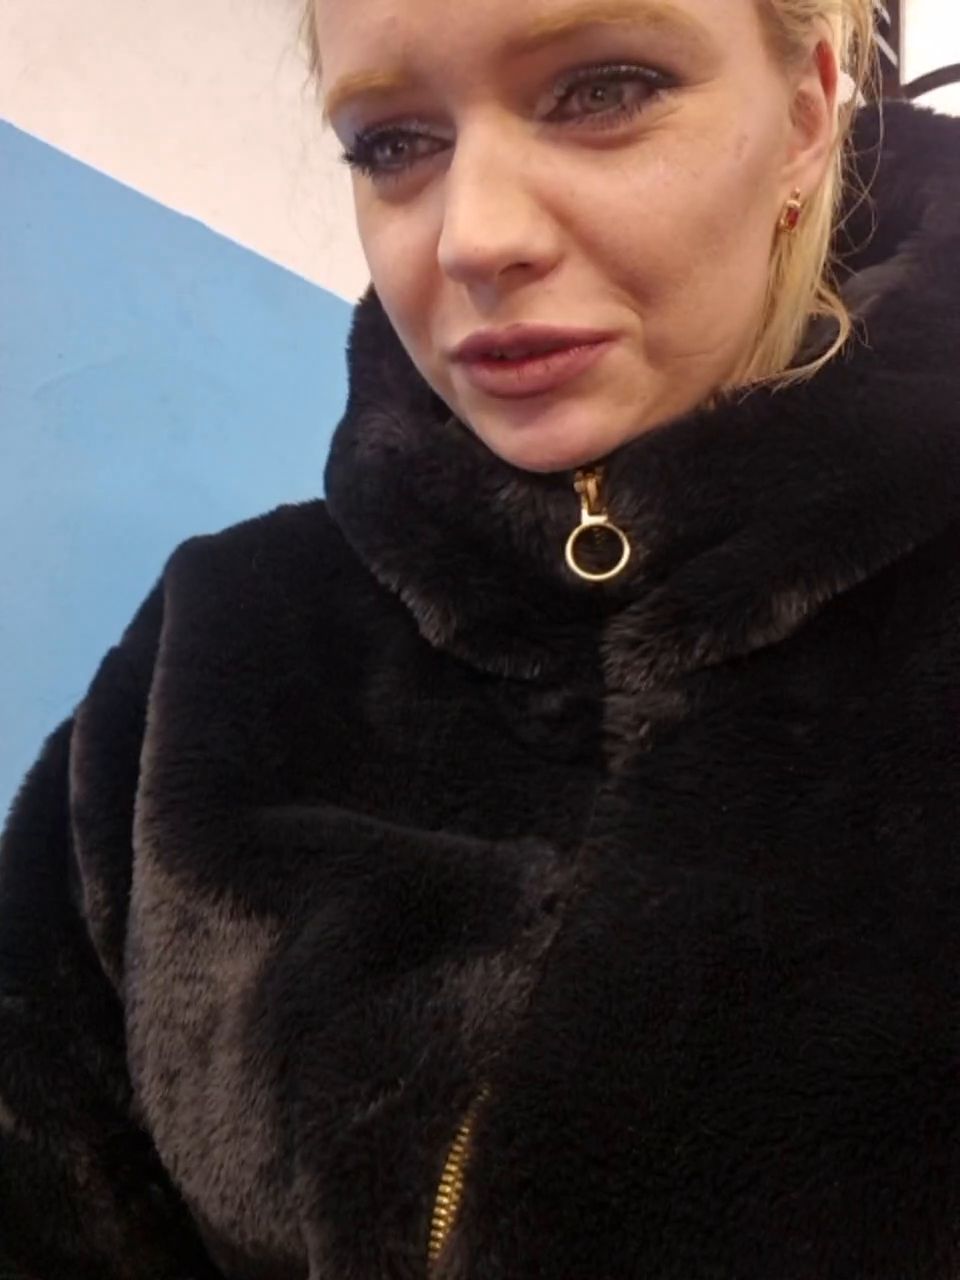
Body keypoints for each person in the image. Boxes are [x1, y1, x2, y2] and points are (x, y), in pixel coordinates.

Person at [2, 0, 960, 1273]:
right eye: (392, 143)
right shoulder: (215, 649)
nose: (475, 237)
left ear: (803, 112)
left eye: (604, 89)